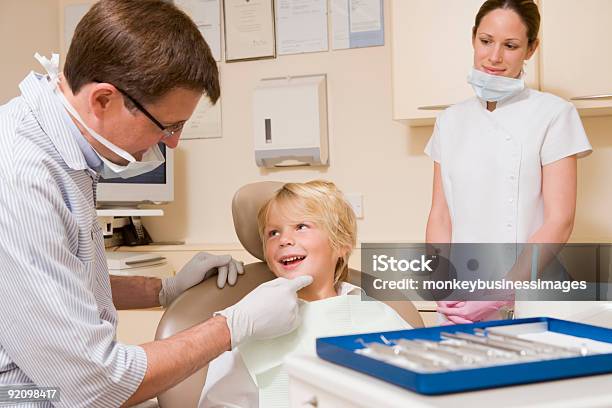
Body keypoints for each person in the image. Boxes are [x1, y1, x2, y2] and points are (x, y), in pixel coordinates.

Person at [0, 1, 311, 406]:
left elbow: (54, 287)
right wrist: (233, 326)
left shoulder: (62, 147)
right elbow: (94, 385)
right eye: (168, 126)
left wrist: (163, 290)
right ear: (103, 100)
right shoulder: (23, 178)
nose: (173, 142)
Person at [425, 0, 592, 324]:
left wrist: (500, 292)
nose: (494, 56)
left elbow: (560, 221)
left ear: (531, 49)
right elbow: (440, 214)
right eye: (486, 41)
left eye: (511, 45)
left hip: (533, 294)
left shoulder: (554, 114)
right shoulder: (449, 120)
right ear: (473, 38)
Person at [199, 180, 412, 408]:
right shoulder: (250, 324)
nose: (284, 240)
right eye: (273, 233)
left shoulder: (379, 316)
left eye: (301, 226)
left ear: (341, 244)